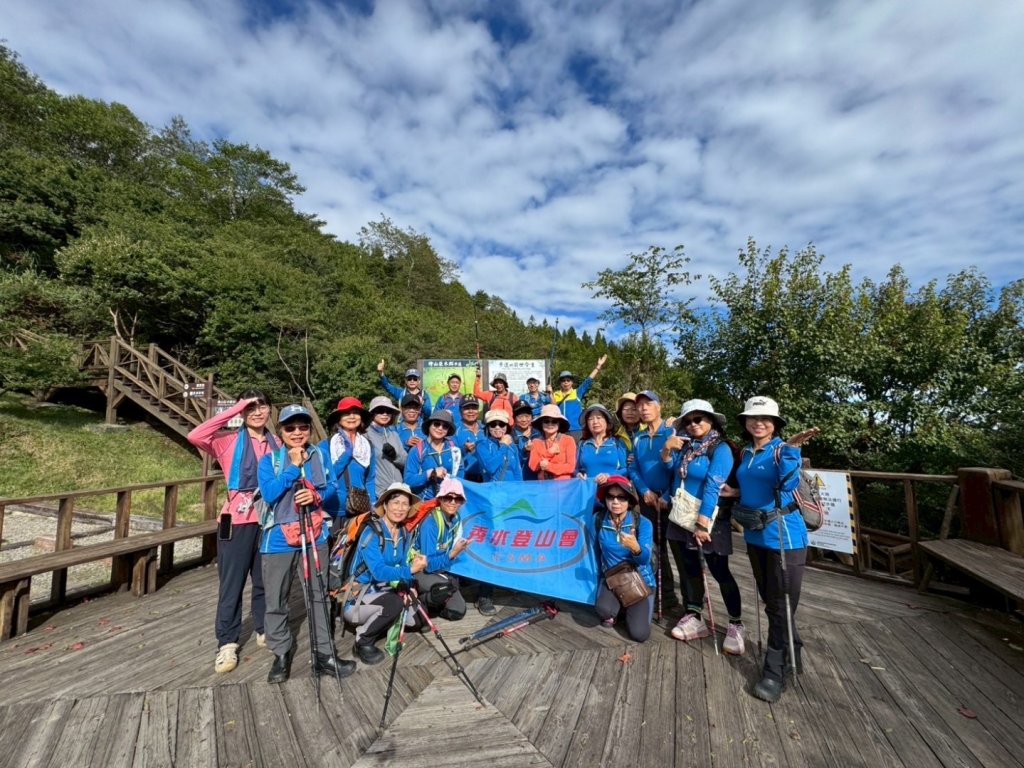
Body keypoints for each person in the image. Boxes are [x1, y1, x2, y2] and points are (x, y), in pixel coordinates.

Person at [257, 404, 354, 683]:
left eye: (303, 427)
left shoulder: (319, 455)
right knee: (276, 598)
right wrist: (294, 469)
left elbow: (332, 487)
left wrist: (315, 496)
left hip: (314, 535)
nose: (297, 432)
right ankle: (281, 652)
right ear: (281, 432)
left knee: (318, 595)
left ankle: (325, 654)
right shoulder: (271, 460)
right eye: (290, 427)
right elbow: (270, 493)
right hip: (277, 540)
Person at [720, 396, 808, 703]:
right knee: (774, 604)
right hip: (756, 536)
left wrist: (793, 453)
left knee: (781, 606)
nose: (759, 423)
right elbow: (758, 487)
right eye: (753, 418)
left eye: (766, 419)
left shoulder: (782, 450)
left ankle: (774, 673)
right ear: (745, 422)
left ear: (776, 423)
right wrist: (735, 491)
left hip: (785, 539)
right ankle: (793, 651)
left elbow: (786, 484)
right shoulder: (746, 452)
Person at [187, 390, 277, 674]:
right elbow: (196, 435)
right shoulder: (227, 440)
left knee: (264, 579)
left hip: (267, 520)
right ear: (241, 411)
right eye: (251, 407)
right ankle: (227, 642)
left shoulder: (275, 443)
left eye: (262, 406)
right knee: (232, 584)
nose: (257, 411)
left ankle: (263, 627)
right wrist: (238, 407)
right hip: (236, 522)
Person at [662, 399, 744, 654]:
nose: (693, 424)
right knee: (688, 568)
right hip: (681, 515)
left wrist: (702, 522)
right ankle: (695, 614)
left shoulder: (720, 449)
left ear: (711, 420)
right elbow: (674, 473)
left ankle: (736, 623)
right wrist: (666, 451)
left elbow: (713, 485)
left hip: (708, 519)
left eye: (698, 419)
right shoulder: (686, 447)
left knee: (720, 570)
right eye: (687, 421)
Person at [342, 482, 428, 664]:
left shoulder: (404, 532)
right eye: (395, 502)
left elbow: (403, 564)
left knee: (420, 617)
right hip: (358, 596)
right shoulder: (372, 532)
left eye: (405, 504)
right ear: (386, 505)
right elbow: (380, 572)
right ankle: (362, 640)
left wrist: (410, 585)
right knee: (395, 604)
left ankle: (383, 620)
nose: (400, 508)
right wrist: (411, 570)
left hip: (384, 590)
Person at [627, 390, 678, 612]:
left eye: (649, 404)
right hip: (648, 500)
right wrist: (644, 490)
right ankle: (662, 595)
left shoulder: (672, 431)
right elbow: (633, 467)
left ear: (659, 406)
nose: (644, 408)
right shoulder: (637, 437)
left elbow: (680, 467)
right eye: (640, 406)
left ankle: (689, 603)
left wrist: (666, 495)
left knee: (678, 550)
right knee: (654, 548)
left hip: (672, 499)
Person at [594, 476, 655, 642]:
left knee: (639, 634)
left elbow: (644, 560)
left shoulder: (643, 523)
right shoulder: (599, 520)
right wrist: (588, 481)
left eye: (621, 497)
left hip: (638, 579)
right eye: (610, 497)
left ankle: (626, 608)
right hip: (613, 577)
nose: (615, 502)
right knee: (603, 610)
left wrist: (636, 548)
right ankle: (617, 609)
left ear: (630, 499)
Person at [414, 477, 472, 620]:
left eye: (457, 499)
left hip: (440, 570)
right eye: (448, 497)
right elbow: (427, 565)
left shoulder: (456, 518)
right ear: (440, 498)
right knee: (447, 587)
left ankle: (434, 601)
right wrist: (453, 553)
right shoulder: (431, 523)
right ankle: (422, 600)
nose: (453, 502)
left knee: (458, 611)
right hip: (418, 570)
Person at [320, 397, 376, 518]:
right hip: (333, 511)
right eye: (346, 413)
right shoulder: (326, 445)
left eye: (356, 413)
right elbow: (323, 478)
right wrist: (346, 454)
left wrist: (373, 503)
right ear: (339, 419)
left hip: (360, 509)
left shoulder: (367, 446)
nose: (351, 417)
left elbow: (370, 479)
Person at [404, 409, 463, 500]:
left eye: (445, 426)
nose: (440, 428)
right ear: (429, 426)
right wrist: (430, 473)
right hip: (425, 504)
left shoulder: (453, 448)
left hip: (449, 501)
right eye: (436, 424)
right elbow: (408, 480)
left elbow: (460, 471)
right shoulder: (416, 450)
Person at [551, 355, 607, 441]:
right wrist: (550, 393)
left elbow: (588, 380)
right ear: (560, 383)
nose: (566, 382)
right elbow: (553, 408)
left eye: (568, 380)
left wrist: (598, 366)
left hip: (576, 430)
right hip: (560, 429)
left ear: (572, 382)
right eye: (563, 380)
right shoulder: (555, 395)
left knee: (577, 453)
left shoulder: (577, 393)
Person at [365, 396, 408, 494]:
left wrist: (395, 456)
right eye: (380, 410)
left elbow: (406, 462)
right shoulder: (365, 436)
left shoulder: (394, 434)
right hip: (378, 493)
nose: (385, 414)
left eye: (388, 411)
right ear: (372, 413)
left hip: (399, 491)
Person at [576, 404, 628, 484]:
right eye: (591, 419)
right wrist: (577, 474)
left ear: (607, 421)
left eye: (599, 418)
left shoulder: (617, 442)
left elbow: (625, 469)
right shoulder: (582, 444)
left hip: (612, 491)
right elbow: (576, 468)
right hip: (589, 491)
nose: (595, 422)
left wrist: (609, 476)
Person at [528, 404, 577, 480]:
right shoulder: (536, 442)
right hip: (544, 487)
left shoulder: (568, 440)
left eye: (554, 421)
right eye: (546, 421)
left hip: (564, 487)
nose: (550, 424)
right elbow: (533, 466)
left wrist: (548, 466)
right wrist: (549, 453)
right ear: (541, 424)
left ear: (559, 423)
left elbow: (570, 467)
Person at [476, 409, 524, 482]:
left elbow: (517, 471)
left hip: (512, 490)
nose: (497, 427)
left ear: (506, 427)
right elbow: (490, 468)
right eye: (493, 424)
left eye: (501, 424)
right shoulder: (482, 446)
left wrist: (520, 489)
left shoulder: (512, 446)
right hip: (493, 490)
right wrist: (504, 446)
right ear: (488, 427)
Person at [455, 399, 484, 482]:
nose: (471, 411)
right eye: (467, 408)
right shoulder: (454, 430)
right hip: (465, 479)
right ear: (461, 411)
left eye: (474, 408)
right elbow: (450, 455)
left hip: (486, 479)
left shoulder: (486, 428)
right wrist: (463, 449)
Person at [512, 399, 539, 480]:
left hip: (537, 480)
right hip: (519, 480)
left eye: (527, 416)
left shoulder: (538, 433)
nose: (524, 420)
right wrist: (524, 451)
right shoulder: (509, 436)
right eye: (520, 417)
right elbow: (511, 463)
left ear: (532, 417)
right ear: (514, 418)